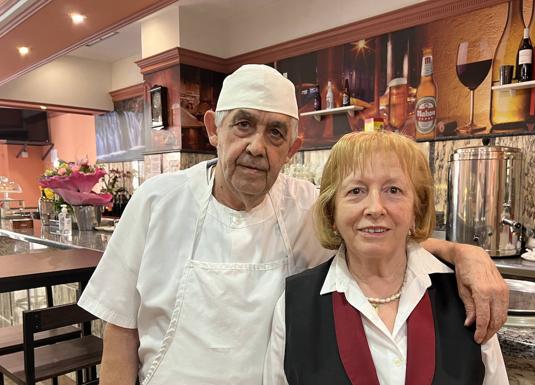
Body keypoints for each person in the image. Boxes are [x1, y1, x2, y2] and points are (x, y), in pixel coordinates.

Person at [77, 64, 508, 385]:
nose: (256, 147)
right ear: (214, 129)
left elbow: (379, 232)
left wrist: (463, 253)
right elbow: (120, 329)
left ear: (294, 148)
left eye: (275, 133)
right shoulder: (156, 201)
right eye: (243, 124)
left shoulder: (304, 203)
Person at [263, 131, 508, 385]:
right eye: (356, 191)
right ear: (331, 211)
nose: (375, 208)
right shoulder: (294, 305)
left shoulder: (465, 296)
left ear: (417, 210)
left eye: (393, 190)